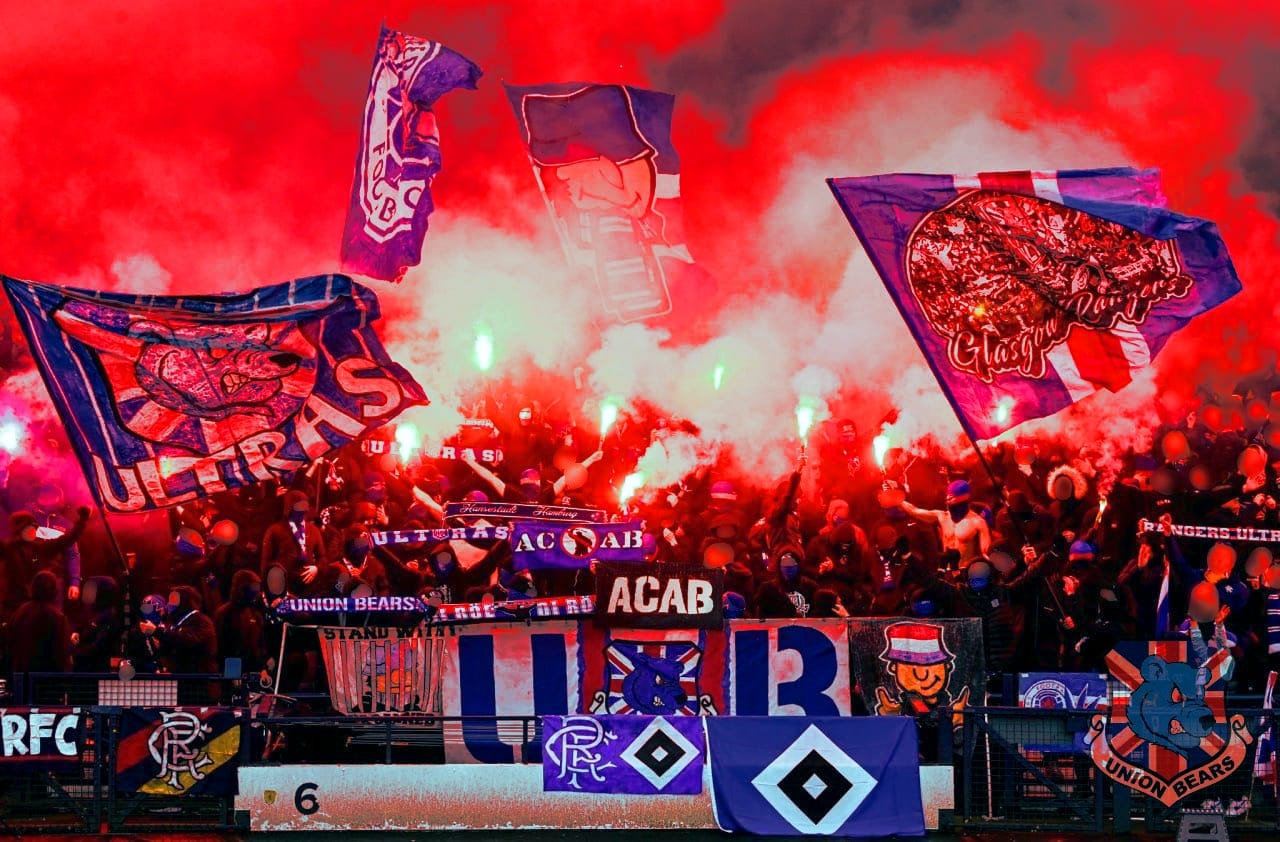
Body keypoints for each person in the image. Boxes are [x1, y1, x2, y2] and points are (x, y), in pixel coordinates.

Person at [900, 480, 991, 567]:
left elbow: (986, 554)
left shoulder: (978, 522)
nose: (948, 499)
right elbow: (914, 511)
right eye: (948, 496)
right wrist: (896, 498)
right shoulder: (942, 516)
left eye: (952, 497)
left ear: (964, 498)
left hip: (965, 572)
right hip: (946, 571)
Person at [7, 570, 72, 673]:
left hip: (19, 678)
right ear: (55, 591)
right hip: (44, 681)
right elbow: (61, 656)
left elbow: (9, 645)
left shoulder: (19, 611)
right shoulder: (57, 617)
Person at [153, 586, 218, 674]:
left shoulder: (200, 620)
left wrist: (159, 632)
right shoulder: (177, 623)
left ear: (183, 602)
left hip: (199, 682)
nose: (168, 605)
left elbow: (188, 640)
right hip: (183, 681)